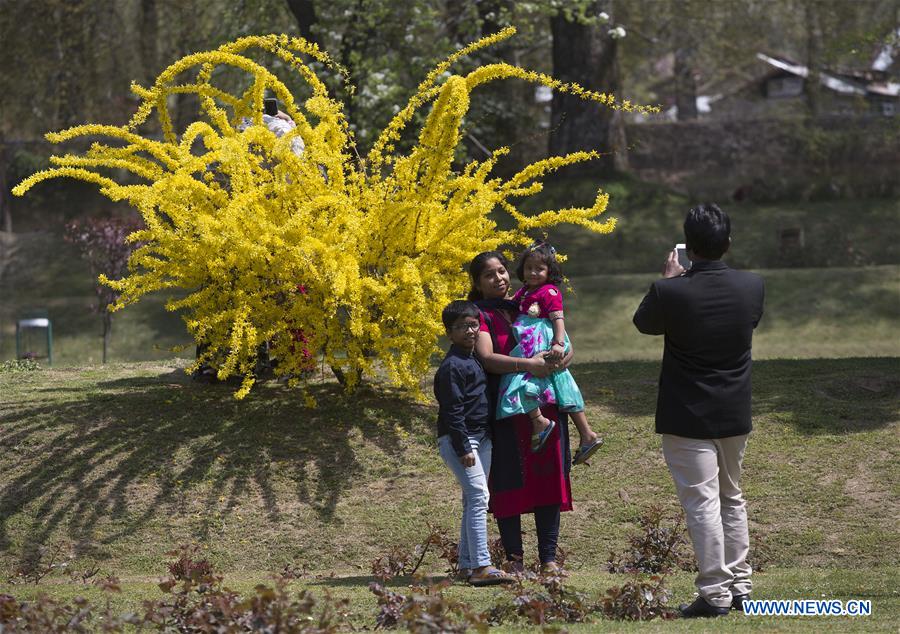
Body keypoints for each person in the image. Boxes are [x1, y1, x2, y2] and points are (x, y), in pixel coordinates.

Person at [633, 203, 765, 618]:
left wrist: (668, 280)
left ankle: (715, 592)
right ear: (727, 243)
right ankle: (741, 584)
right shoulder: (752, 285)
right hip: (734, 410)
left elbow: (644, 324)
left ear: (687, 247)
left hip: (686, 414)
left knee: (702, 503)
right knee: (732, 498)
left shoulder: (669, 291)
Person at [468, 252, 571, 575]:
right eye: (489, 275)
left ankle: (549, 559)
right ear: (477, 283)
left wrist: (563, 356)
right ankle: (515, 560)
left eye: (501, 271)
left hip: (547, 401)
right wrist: (530, 366)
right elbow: (487, 358)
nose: (499, 278)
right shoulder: (478, 315)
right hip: (507, 408)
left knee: (549, 477)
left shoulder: (528, 303)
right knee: (508, 481)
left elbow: (562, 340)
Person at [495, 242, 603, 465]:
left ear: (550, 271)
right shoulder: (526, 291)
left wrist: (558, 343)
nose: (533, 273)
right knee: (561, 383)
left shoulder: (549, 291)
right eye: (529, 268)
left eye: (539, 269)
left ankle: (543, 422)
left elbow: (558, 319)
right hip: (530, 339)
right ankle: (586, 435)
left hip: (542, 340)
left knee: (522, 380)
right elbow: (512, 305)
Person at [434, 299, 512, 586]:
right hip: (463, 440)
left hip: (482, 436)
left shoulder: (473, 359)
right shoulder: (452, 366)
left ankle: (467, 565)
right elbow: (452, 410)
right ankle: (481, 565)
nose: (469, 331)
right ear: (449, 333)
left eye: (473, 325)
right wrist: (463, 446)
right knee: (479, 497)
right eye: (461, 327)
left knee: (473, 499)